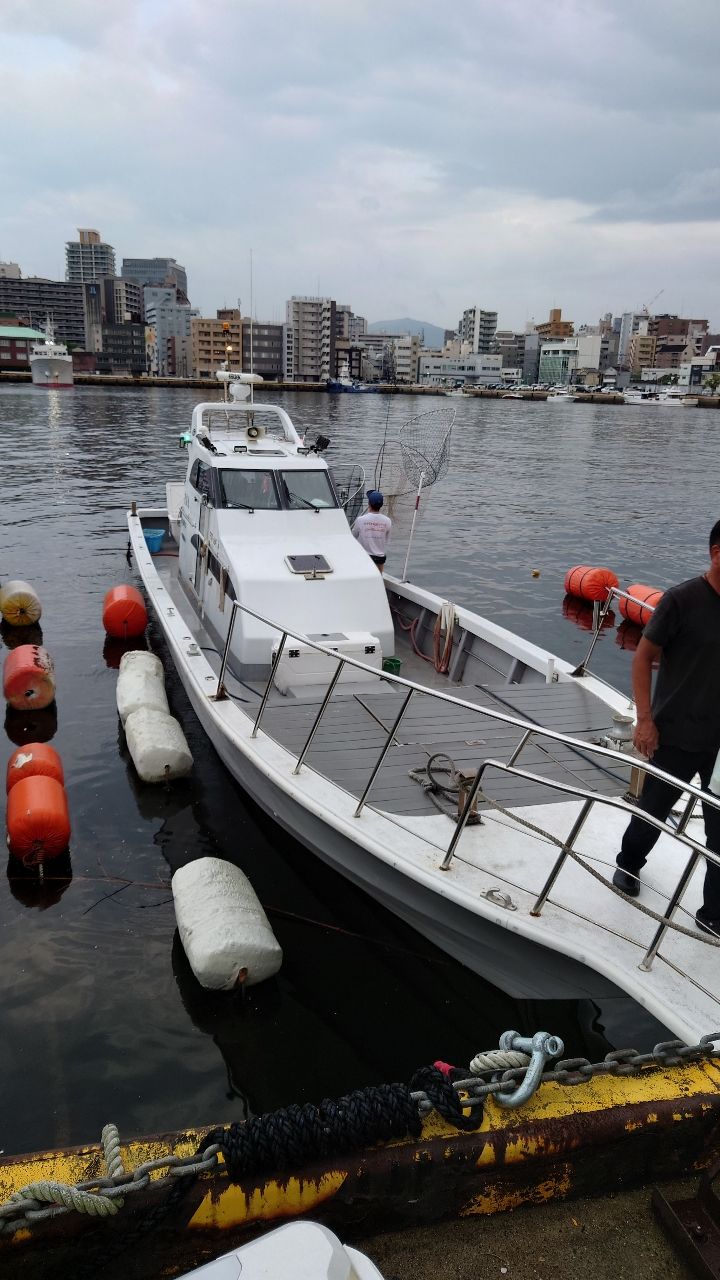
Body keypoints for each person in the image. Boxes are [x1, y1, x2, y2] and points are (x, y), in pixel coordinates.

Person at [613, 519, 720, 935]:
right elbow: (642, 658)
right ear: (716, 554)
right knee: (653, 811)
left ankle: (713, 914)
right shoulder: (682, 600)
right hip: (674, 732)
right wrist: (645, 720)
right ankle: (628, 863)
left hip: (719, 747)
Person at [352, 490, 392, 572]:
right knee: (379, 577)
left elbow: (353, 536)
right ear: (381, 505)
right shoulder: (388, 521)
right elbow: (387, 540)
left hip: (364, 557)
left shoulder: (360, 520)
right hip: (380, 559)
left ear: (369, 504)